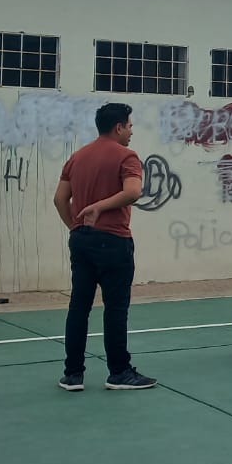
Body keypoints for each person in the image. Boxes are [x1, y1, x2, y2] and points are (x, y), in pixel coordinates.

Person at [53, 102, 157, 391]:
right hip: (113, 240)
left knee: (79, 306)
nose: (131, 131)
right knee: (115, 308)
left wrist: (75, 225)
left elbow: (59, 199)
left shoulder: (77, 157)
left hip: (82, 240)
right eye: (130, 126)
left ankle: (73, 374)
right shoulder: (127, 156)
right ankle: (119, 372)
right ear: (119, 127)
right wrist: (100, 206)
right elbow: (133, 192)